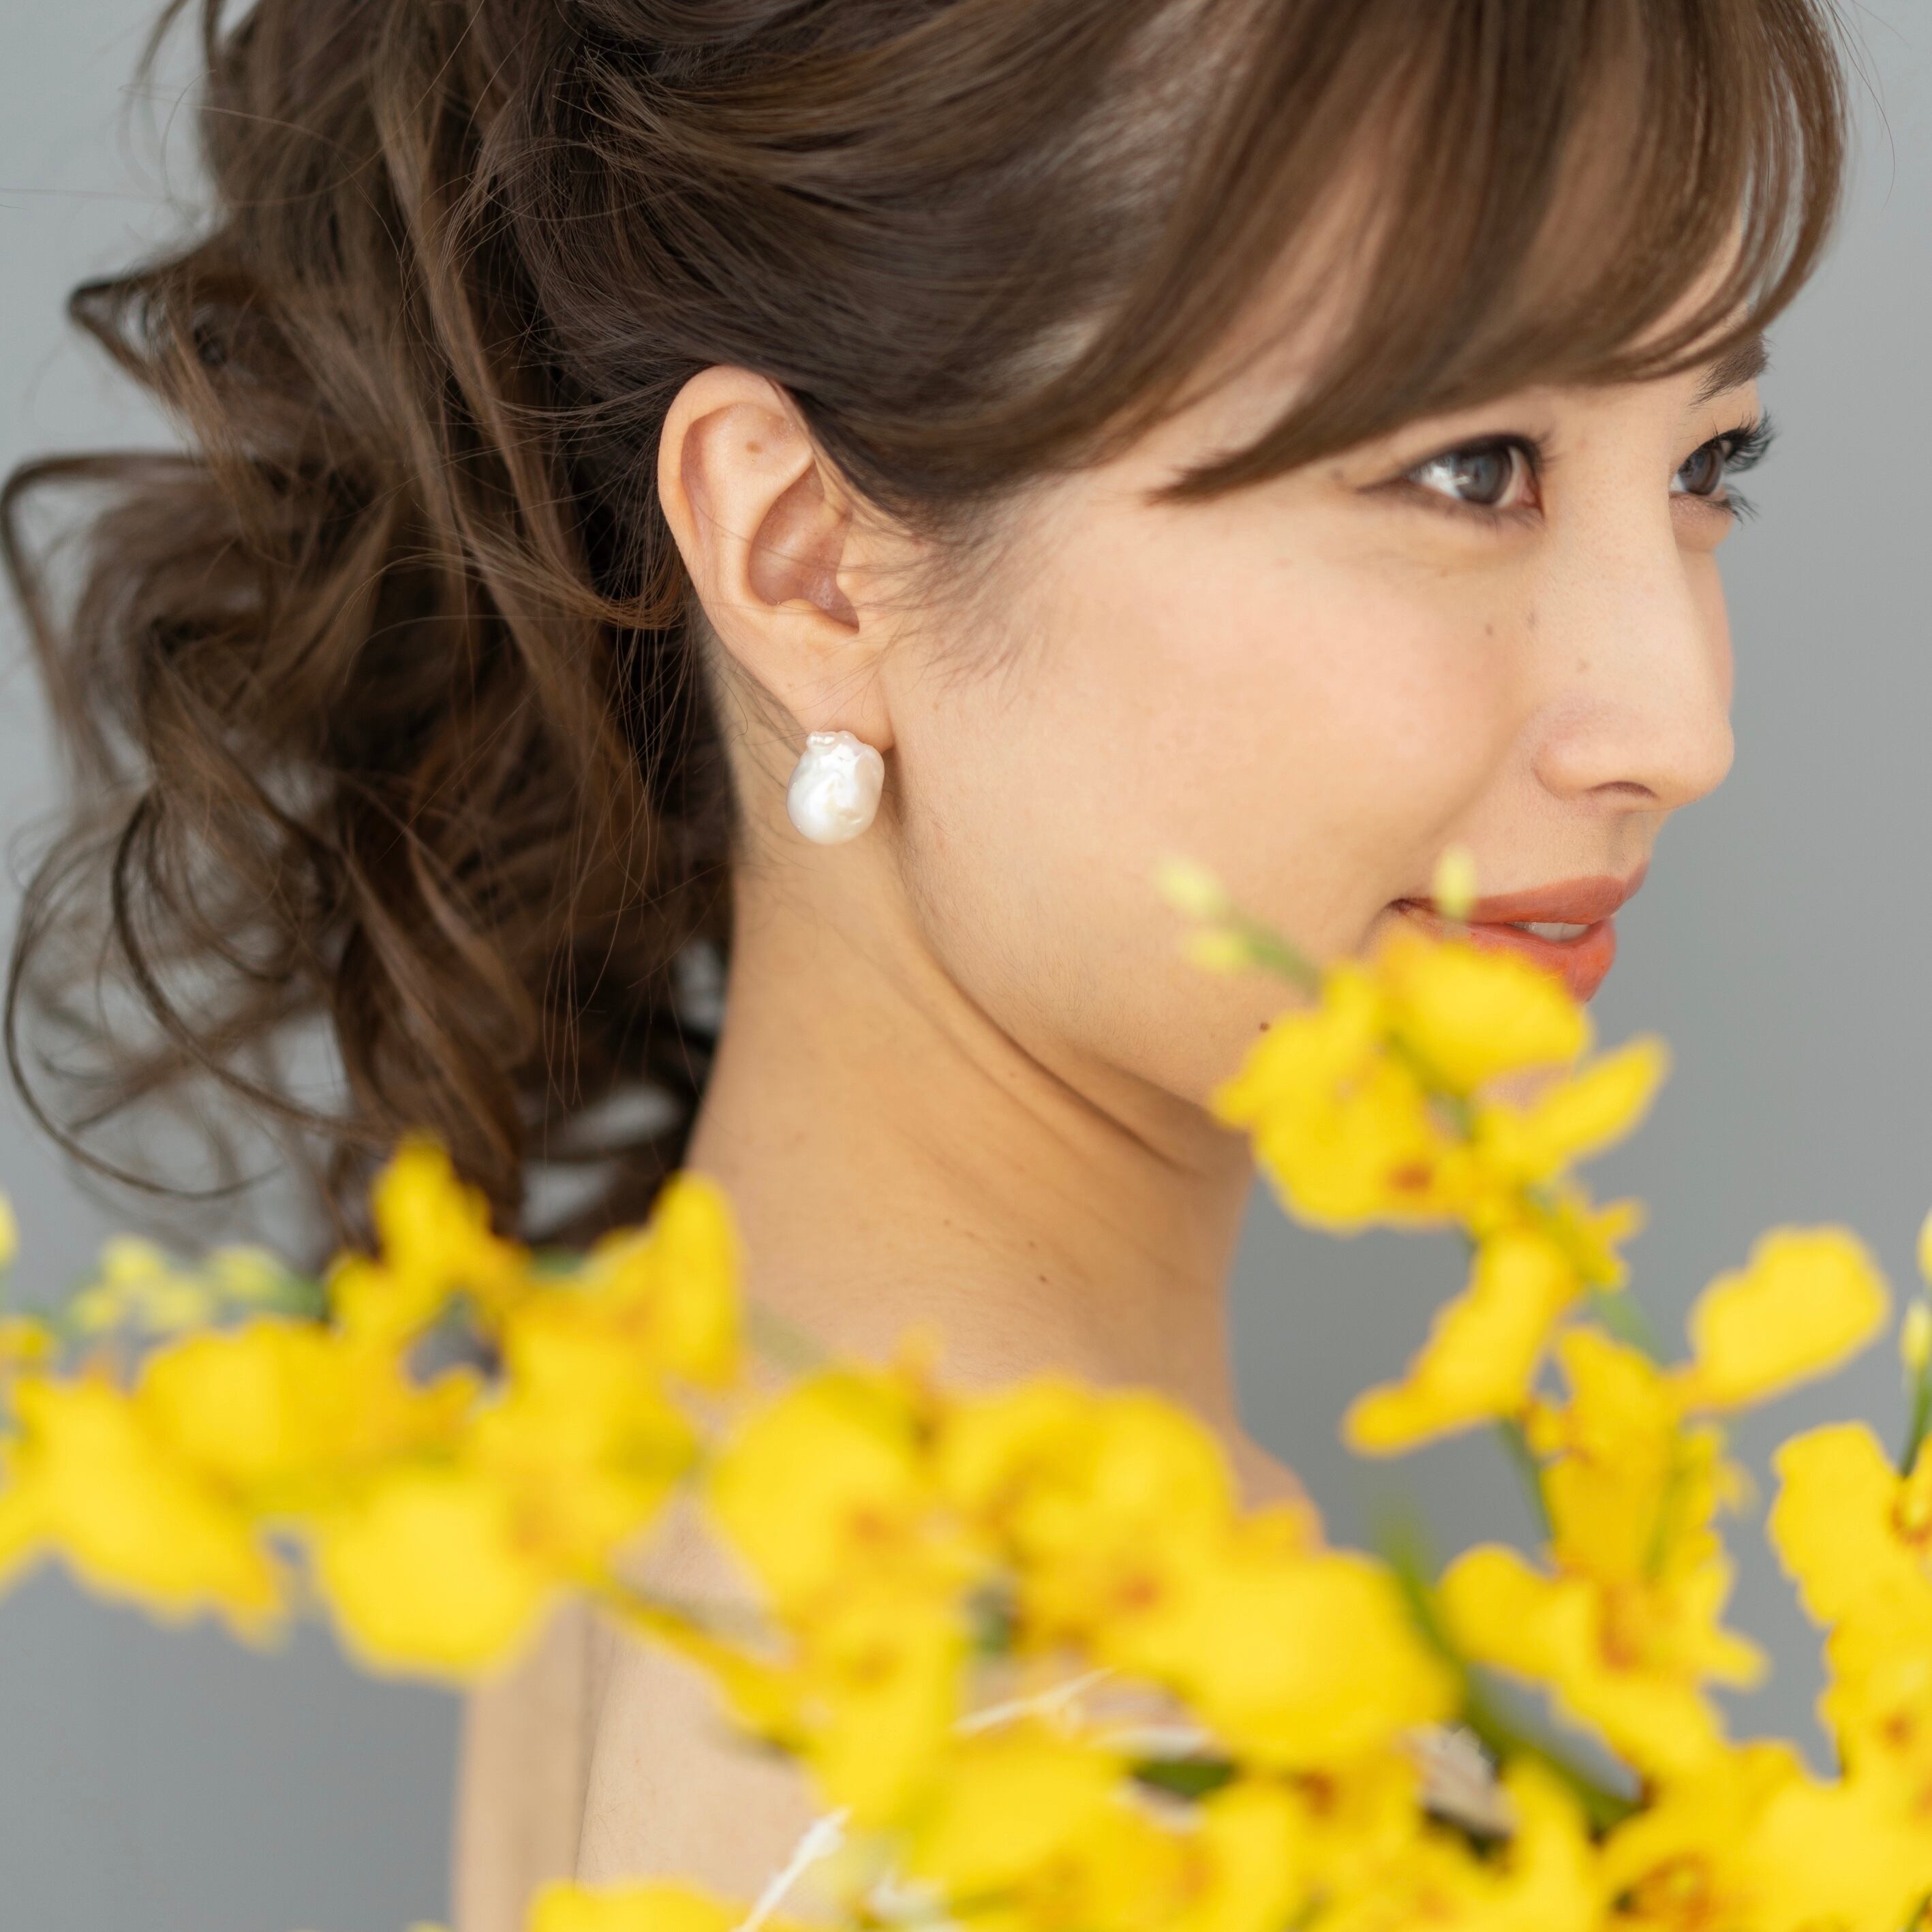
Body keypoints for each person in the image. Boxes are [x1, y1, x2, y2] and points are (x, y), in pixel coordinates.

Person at [3, 0, 1848, 1918]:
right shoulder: (1150, 1822)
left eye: (1707, 462)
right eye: (1472, 470)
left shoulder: (649, 1479)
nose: (1676, 722)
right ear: (807, 556)